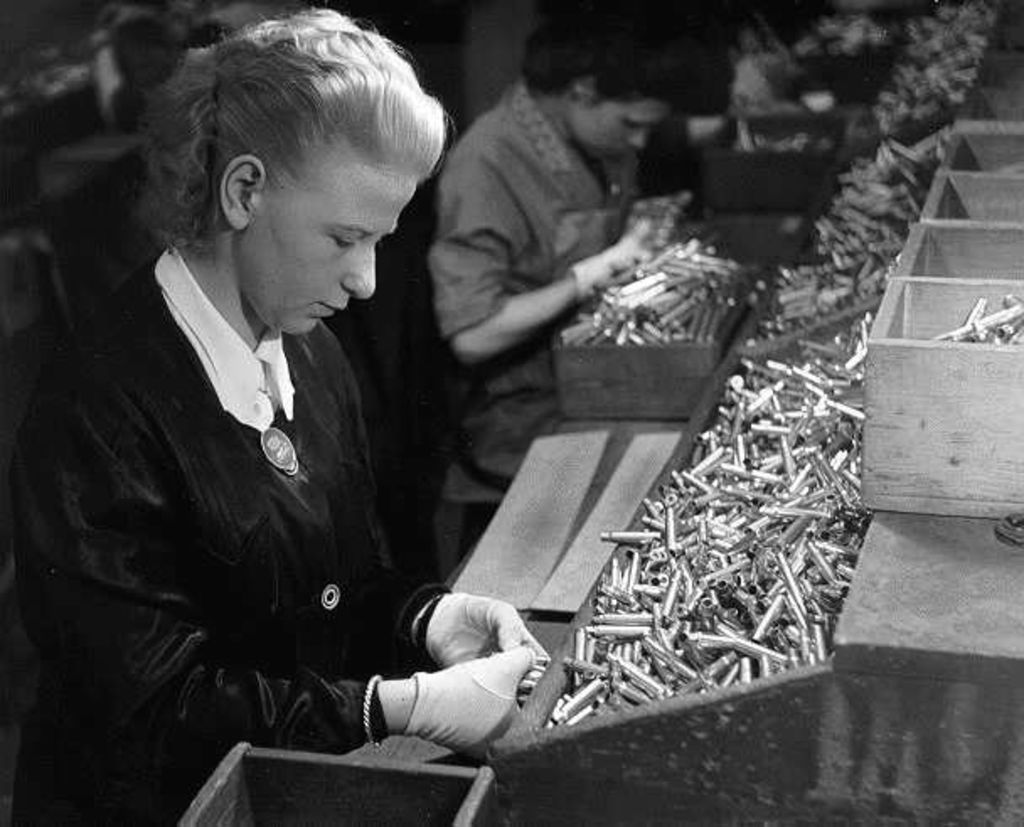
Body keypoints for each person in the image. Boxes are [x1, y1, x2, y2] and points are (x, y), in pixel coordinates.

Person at [10, 10, 545, 824]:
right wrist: (389, 707)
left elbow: (341, 583)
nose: (365, 281)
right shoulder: (99, 408)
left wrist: (426, 617)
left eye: (381, 241)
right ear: (244, 190)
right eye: (344, 237)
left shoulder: (313, 350)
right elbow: (155, 708)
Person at [428, 15, 684, 550]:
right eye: (630, 122)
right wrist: (594, 272)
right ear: (581, 92)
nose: (638, 141)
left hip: (584, 384)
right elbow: (473, 335)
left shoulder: (591, 139)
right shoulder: (487, 164)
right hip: (515, 418)